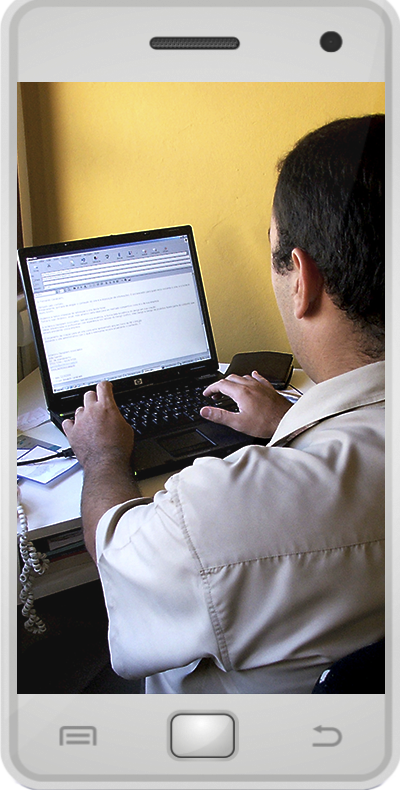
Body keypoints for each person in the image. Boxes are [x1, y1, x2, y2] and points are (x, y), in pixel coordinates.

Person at [63, 115, 385, 693]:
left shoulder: (220, 513)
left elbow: (117, 555)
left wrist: (103, 456)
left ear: (302, 279)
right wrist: (294, 422)